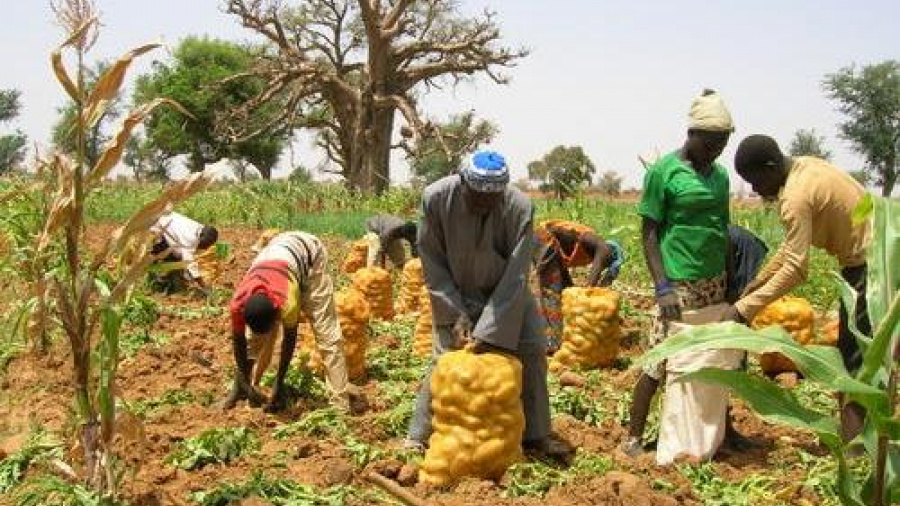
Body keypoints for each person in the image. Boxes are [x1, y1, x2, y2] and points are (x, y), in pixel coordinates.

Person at [404, 150, 564, 459]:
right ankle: (419, 435)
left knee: (531, 348)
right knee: (445, 358)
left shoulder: (519, 207)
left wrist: (488, 328)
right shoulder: (436, 199)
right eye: (476, 196)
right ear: (463, 182)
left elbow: (517, 272)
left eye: (492, 199)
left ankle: (536, 436)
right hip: (455, 291)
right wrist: (455, 312)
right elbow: (432, 261)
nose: (483, 205)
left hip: (507, 292)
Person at [724, 134, 871, 442]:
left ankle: (857, 448)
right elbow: (790, 250)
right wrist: (757, 283)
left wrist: (743, 309)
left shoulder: (794, 197)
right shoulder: (805, 167)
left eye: (754, 180)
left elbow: (796, 268)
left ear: (770, 167)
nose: (754, 189)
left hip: (870, 269)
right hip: (877, 256)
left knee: (854, 360)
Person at [622, 89, 735, 457]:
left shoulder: (719, 176)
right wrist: (662, 286)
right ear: (692, 134)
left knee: (715, 357)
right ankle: (633, 437)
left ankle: (723, 429)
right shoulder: (664, 172)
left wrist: (731, 280)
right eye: (711, 142)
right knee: (660, 357)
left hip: (714, 282)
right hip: (678, 283)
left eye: (723, 142)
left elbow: (723, 227)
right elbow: (649, 233)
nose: (716, 150)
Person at [224, 231, 352, 413]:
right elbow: (239, 342)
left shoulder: (287, 302)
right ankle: (246, 389)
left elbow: (289, 342)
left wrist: (279, 383)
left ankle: (340, 404)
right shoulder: (238, 303)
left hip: (310, 254)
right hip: (277, 255)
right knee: (252, 340)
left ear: (278, 313)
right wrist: (241, 383)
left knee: (326, 334)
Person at [533, 220, 625, 352]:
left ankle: (564, 334)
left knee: (567, 290)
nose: (603, 266)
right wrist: (588, 291)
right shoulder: (603, 248)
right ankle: (551, 343)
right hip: (545, 240)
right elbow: (602, 254)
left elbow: (600, 281)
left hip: (553, 249)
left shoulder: (593, 250)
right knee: (553, 293)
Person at [150, 211, 218, 292]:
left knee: (177, 255)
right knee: (170, 259)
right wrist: (203, 285)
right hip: (155, 229)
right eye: (205, 245)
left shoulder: (199, 228)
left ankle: (171, 282)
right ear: (202, 240)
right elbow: (190, 263)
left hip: (164, 222)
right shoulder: (190, 238)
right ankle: (158, 285)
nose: (204, 248)